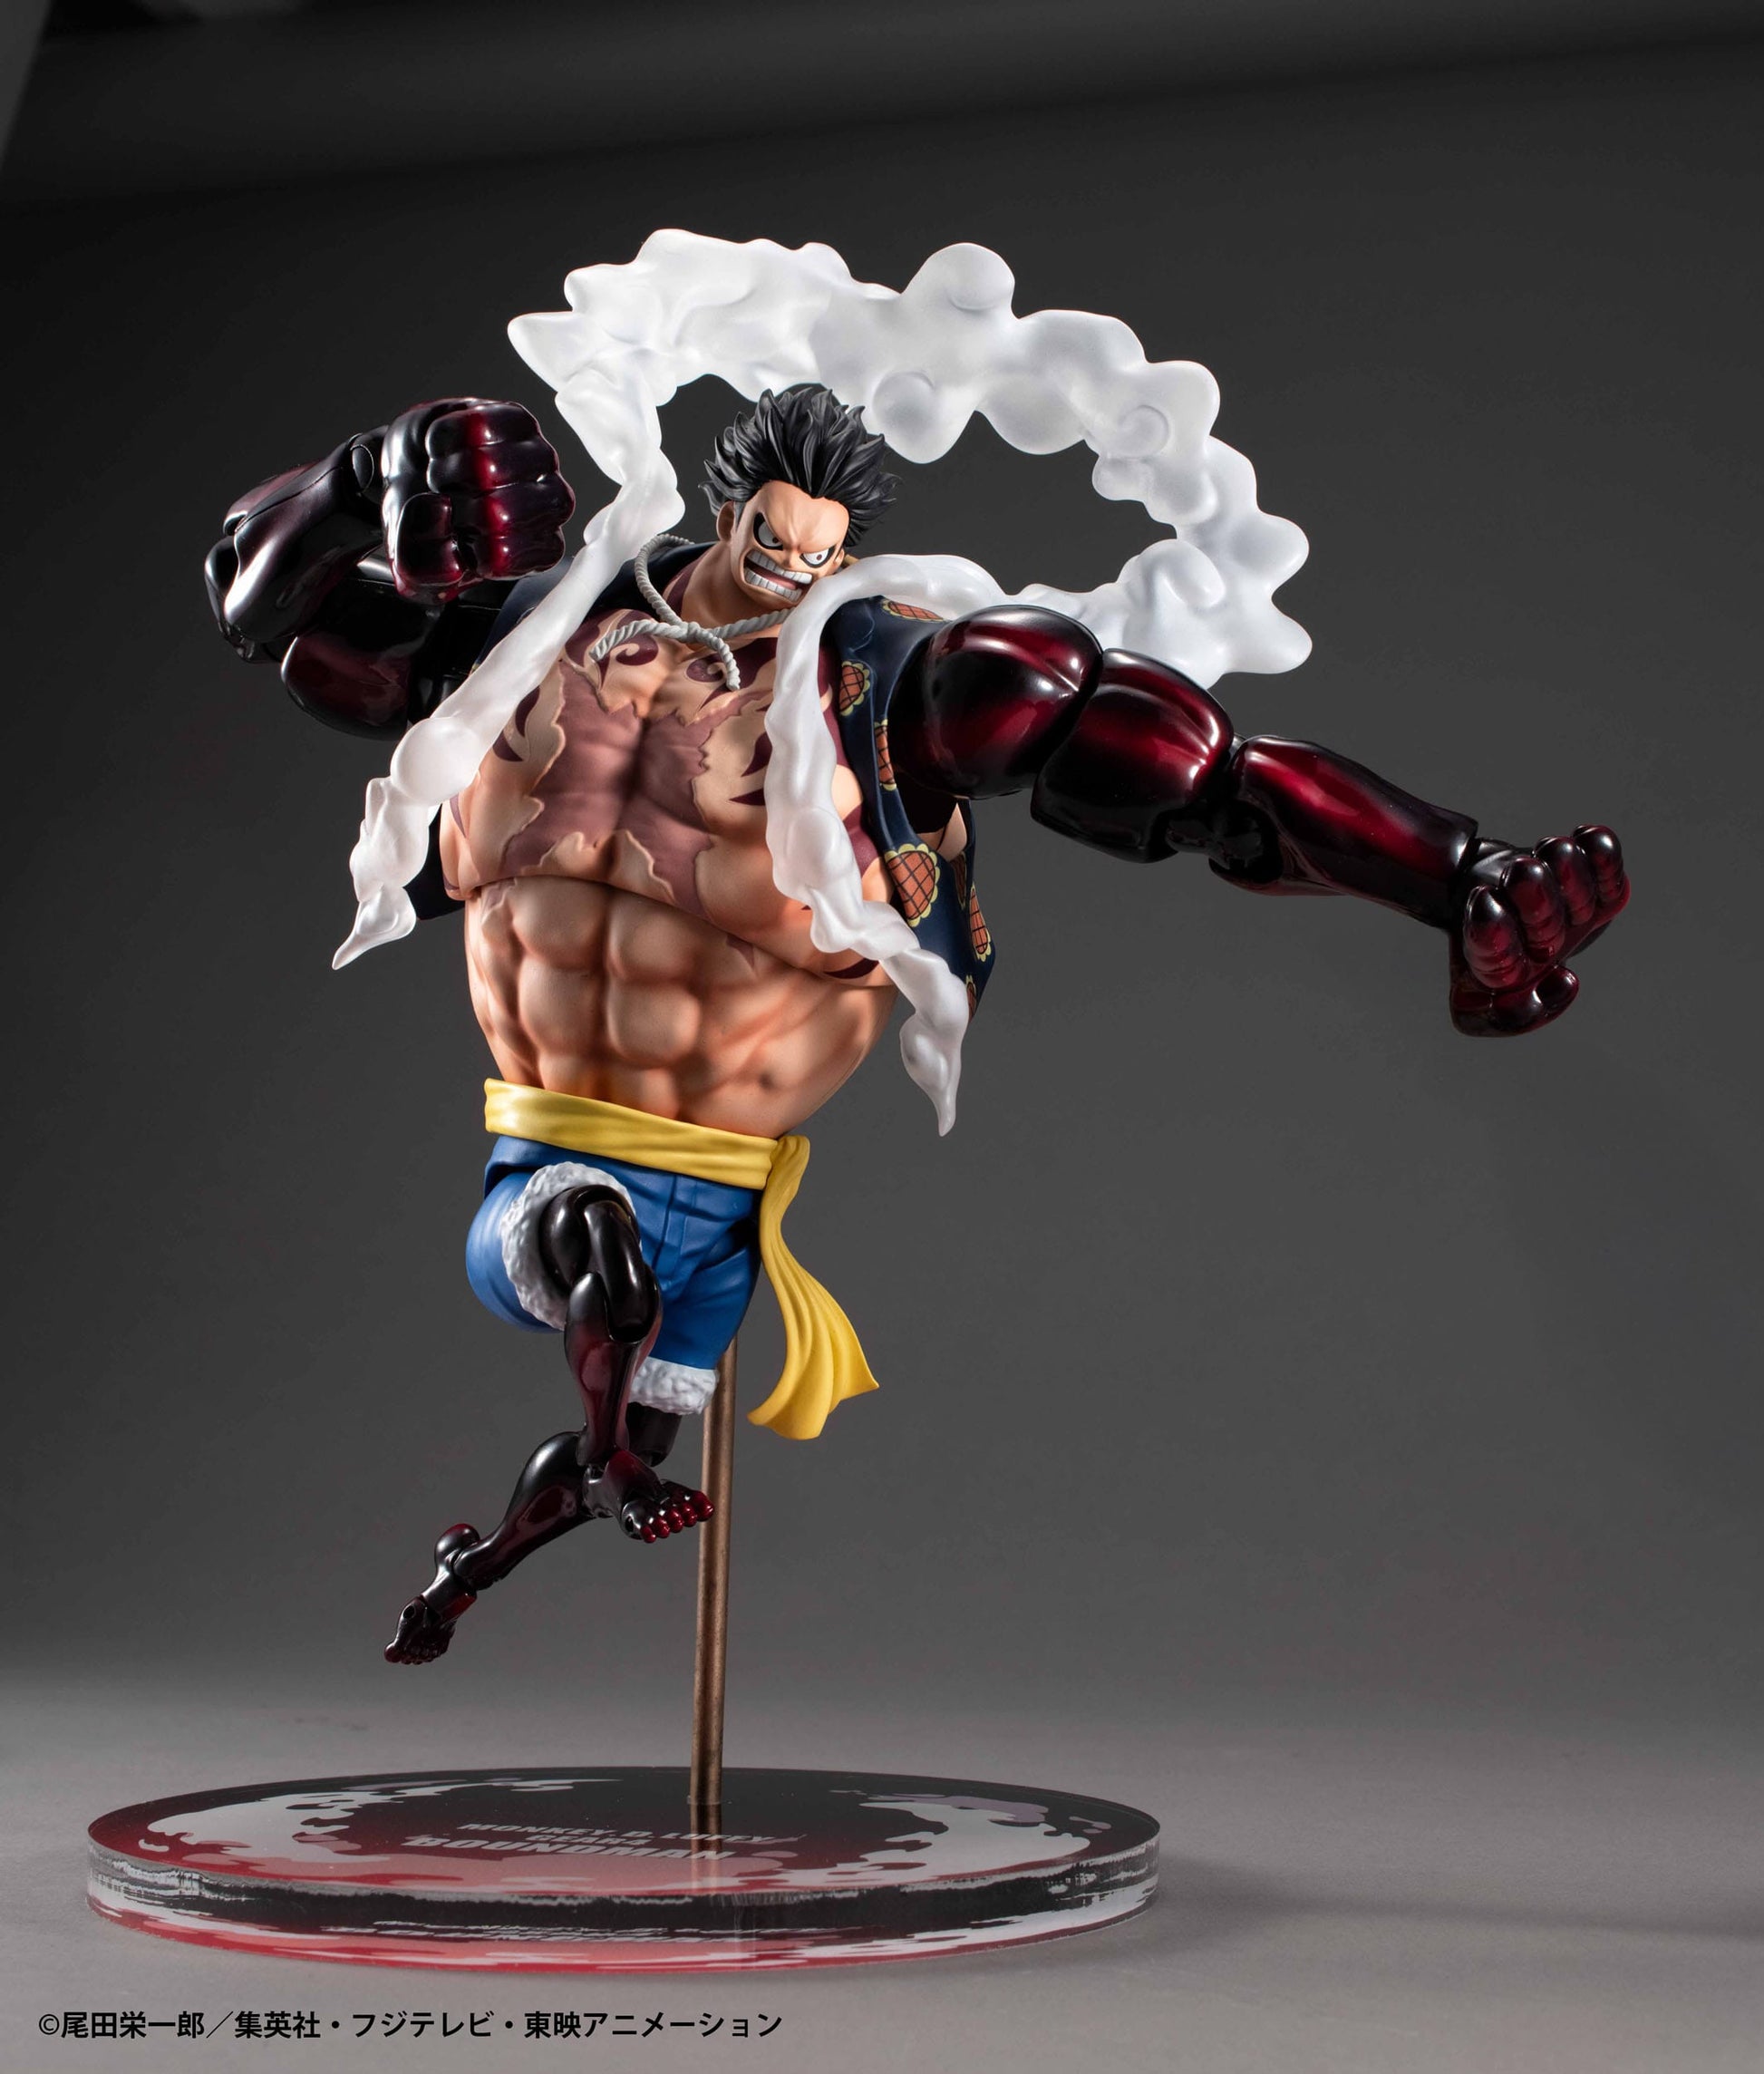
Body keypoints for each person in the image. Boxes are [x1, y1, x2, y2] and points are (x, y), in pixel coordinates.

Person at [208, 384, 1628, 1664]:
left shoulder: (886, 702)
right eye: (772, 538)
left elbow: (1208, 783)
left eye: (817, 552)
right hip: (549, 1159)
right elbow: (271, 612)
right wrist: (356, 479)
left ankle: (471, 1569)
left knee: (613, 1459)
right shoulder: (533, 639)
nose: (791, 569)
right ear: (732, 507)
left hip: (720, 1196)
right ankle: (557, 1487)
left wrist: (1453, 878)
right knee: (603, 1305)